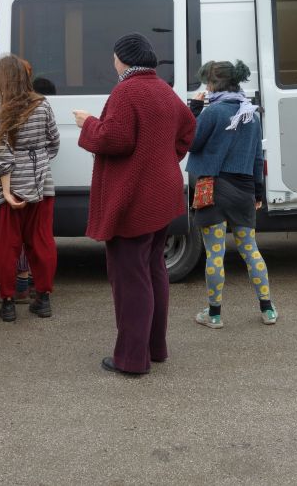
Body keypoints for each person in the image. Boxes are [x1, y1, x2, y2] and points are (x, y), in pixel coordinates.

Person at [74, 33, 195, 376]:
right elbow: (188, 128)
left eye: (114, 58)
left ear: (123, 60)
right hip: (162, 194)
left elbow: (115, 138)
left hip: (136, 198)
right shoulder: (162, 89)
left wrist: (88, 124)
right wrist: (164, 159)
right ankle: (154, 348)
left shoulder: (127, 90)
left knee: (131, 278)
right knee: (153, 269)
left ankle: (131, 358)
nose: (113, 64)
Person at [186, 60, 274, 329]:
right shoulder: (251, 114)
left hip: (212, 189)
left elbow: (192, 141)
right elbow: (258, 157)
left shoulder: (212, 113)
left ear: (213, 85)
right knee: (250, 250)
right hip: (244, 189)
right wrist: (258, 191)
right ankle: (267, 309)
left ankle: (213, 315)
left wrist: (195, 109)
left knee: (215, 253)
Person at [0, 55, 60, 323]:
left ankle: (7, 303)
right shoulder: (42, 105)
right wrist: (37, 161)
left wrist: (7, 191)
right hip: (41, 184)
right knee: (41, 242)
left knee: (6, 247)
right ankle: (43, 300)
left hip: (8, 189)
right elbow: (54, 142)